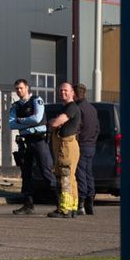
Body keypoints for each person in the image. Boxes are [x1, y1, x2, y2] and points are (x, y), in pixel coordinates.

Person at [9, 79, 54, 215]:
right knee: (26, 173)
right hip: (25, 142)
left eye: (21, 88)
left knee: (46, 171)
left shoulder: (36, 100)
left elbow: (37, 118)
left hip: (39, 141)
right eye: (17, 88)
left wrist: (21, 120)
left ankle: (61, 203)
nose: (19, 91)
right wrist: (28, 122)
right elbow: (11, 124)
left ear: (27, 88)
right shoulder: (16, 106)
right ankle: (28, 205)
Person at [47, 81, 82, 218]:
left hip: (66, 146)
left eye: (66, 90)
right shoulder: (67, 107)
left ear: (72, 93)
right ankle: (72, 207)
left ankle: (64, 209)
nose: (62, 92)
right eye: (61, 90)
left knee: (64, 176)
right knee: (70, 177)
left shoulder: (71, 108)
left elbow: (56, 123)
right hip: (67, 146)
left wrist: (52, 122)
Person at [73, 83, 100, 215]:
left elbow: (77, 127)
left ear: (75, 94)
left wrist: (77, 140)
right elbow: (97, 129)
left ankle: (81, 203)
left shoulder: (78, 108)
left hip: (81, 145)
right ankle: (90, 202)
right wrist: (92, 140)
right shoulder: (92, 109)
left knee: (81, 173)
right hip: (91, 145)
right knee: (88, 173)